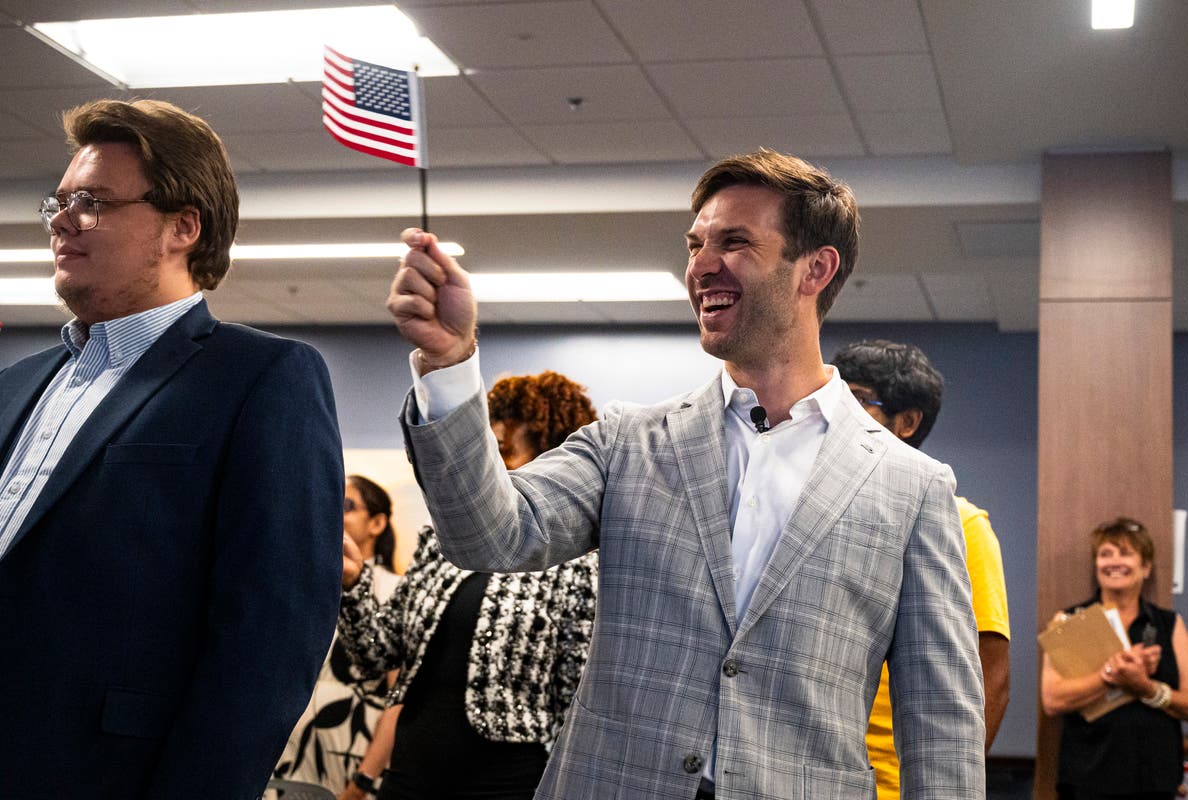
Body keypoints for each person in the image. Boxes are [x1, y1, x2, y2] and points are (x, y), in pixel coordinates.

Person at [386, 149, 985, 798]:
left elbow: (942, 726)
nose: (700, 265)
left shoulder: (913, 488)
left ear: (815, 268)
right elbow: (489, 537)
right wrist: (448, 362)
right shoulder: (629, 442)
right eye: (696, 244)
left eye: (734, 242)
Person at [0, 99, 343, 798]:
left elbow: (271, 639)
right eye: (60, 203)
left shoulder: (261, 378)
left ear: (184, 226)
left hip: (103, 774)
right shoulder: (16, 385)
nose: (62, 221)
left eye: (93, 203)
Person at [339, 371, 600, 800]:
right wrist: (353, 585)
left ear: (551, 458)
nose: (492, 467)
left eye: (505, 451)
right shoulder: (442, 541)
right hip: (411, 773)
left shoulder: (577, 561)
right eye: (488, 452)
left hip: (507, 784)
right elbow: (373, 657)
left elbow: (576, 699)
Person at [830, 339, 1011, 797]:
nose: (838, 416)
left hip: (896, 784)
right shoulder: (820, 512)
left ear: (907, 422)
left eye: (859, 400)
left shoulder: (962, 524)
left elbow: (992, 676)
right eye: (835, 399)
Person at [1042, 517, 1188, 799]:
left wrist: (1146, 687)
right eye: (1105, 554)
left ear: (1146, 567)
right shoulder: (1068, 620)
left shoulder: (1169, 624)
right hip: (1087, 778)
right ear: (1096, 565)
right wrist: (1112, 676)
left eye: (1125, 553)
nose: (1114, 562)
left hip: (1155, 780)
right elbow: (1053, 700)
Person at [275, 475, 403, 796]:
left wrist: (362, 781)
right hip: (287, 758)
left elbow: (400, 696)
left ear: (377, 523)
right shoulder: (300, 584)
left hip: (352, 759)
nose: (332, 510)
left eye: (346, 505)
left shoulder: (395, 590)